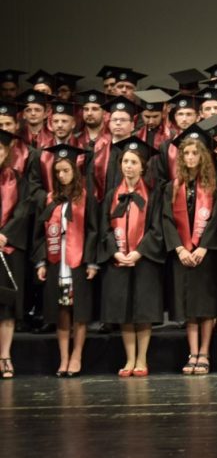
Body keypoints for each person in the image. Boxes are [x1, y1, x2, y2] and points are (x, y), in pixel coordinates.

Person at [161, 126, 217, 375]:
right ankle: (192, 352)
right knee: (189, 307)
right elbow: (167, 219)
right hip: (183, 255)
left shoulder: (214, 185)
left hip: (205, 256)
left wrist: (205, 247)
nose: (190, 157)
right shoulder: (172, 187)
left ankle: (205, 353)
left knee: (206, 306)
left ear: (202, 156)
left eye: (194, 153)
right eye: (186, 153)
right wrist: (179, 248)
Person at [98, 138, 164, 377]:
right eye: (125, 161)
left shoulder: (154, 195)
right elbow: (104, 228)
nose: (128, 166)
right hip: (118, 261)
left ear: (142, 167)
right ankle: (129, 359)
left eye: (134, 162)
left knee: (142, 311)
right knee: (124, 311)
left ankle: (142, 359)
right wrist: (116, 252)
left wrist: (138, 252)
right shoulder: (111, 196)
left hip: (144, 260)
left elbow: (158, 228)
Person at [33, 145, 99, 377]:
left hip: (78, 260)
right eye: (58, 172)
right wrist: (41, 261)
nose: (61, 175)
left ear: (75, 171)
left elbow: (93, 230)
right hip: (55, 260)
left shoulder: (85, 197)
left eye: (65, 171)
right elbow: (39, 233)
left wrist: (91, 262)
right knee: (61, 310)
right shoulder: (50, 199)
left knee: (78, 311)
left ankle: (76, 356)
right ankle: (63, 358)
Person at [0, 130, 31, 379]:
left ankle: (5, 356)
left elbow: (23, 209)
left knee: (8, 306)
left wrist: (5, 235)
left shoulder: (18, 179)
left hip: (9, 248)